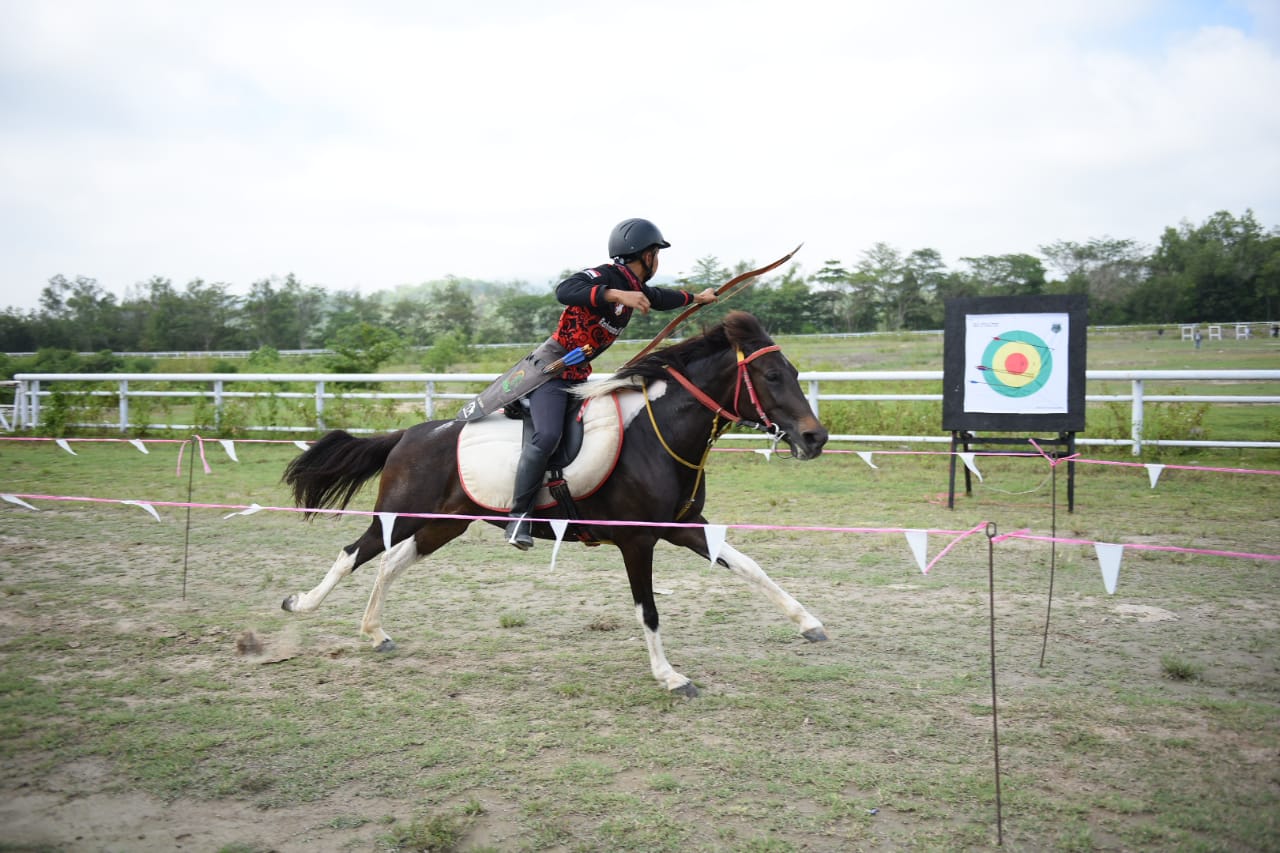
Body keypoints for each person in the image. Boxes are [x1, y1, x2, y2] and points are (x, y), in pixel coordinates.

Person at [503, 218, 717, 549]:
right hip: (551, 371)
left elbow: (659, 297)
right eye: (656, 254)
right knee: (546, 436)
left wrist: (695, 298)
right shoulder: (605, 276)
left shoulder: (638, 287)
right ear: (646, 255)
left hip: (578, 375)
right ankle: (519, 518)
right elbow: (564, 290)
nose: (657, 261)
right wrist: (617, 294)